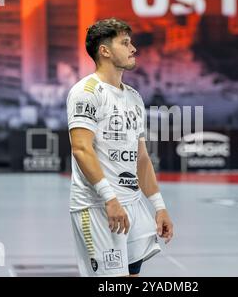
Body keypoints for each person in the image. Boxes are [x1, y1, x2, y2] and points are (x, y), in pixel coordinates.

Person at [66, 18, 174, 277]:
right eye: (125, 43)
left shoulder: (133, 97)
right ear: (104, 51)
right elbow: (81, 148)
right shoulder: (86, 92)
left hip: (132, 205)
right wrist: (109, 199)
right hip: (98, 206)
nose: (133, 48)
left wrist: (159, 206)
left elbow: (142, 159)